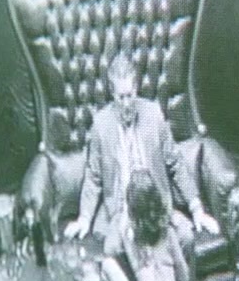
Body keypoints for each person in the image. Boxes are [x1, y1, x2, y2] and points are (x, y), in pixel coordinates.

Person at [63, 52, 219, 261]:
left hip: (156, 206)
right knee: (113, 249)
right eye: (121, 97)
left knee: (186, 237)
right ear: (112, 93)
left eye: (130, 95)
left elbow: (176, 163)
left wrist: (197, 209)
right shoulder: (100, 125)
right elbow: (93, 176)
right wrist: (84, 218)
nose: (126, 103)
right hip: (121, 210)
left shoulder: (154, 114)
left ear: (136, 88)